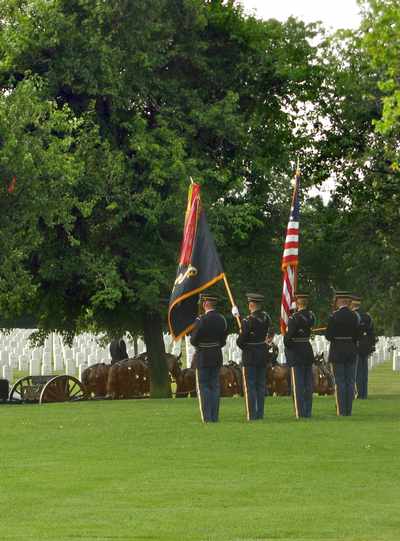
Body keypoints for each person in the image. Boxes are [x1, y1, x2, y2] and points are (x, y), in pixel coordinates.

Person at [190, 293, 228, 423]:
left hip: (203, 356)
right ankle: (214, 417)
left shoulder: (200, 320)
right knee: (215, 386)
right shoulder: (221, 319)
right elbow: (223, 340)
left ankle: (207, 417)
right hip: (216, 355)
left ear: (205, 304)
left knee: (204, 386)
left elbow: (193, 340)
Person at [236, 293, 271, 421]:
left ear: (251, 304)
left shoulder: (247, 321)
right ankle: (260, 413)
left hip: (250, 355)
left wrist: (241, 326)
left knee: (250, 386)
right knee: (260, 385)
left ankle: (252, 414)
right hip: (262, 353)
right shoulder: (267, 317)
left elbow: (240, 341)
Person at [325, 291, 361, 416]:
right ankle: (349, 410)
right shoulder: (354, 316)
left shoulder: (334, 316)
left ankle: (341, 411)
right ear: (347, 301)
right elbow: (358, 335)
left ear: (339, 301)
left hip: (337, 351)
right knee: (350, 381)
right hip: (351, 350)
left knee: (339, 382)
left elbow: (328, 336)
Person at [284, 293, 315, 419]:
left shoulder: (294, 318)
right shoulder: (312, 316)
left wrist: (289, 345)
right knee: (308, 384)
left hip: (296, 351)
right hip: (307, 349)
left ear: (297, 303)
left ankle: (300, 412)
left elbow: (288, 339)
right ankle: (308, 411)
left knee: (298, 385)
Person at [351, 295, 376, 399]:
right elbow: (371, 333)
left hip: (355, 345)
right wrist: (370, 346)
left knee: (356, 372)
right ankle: (364, 393)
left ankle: (358, 393)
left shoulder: (352, 316)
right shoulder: (367, 316)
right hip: (365, 346)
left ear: (352, 304)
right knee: (364, 371)